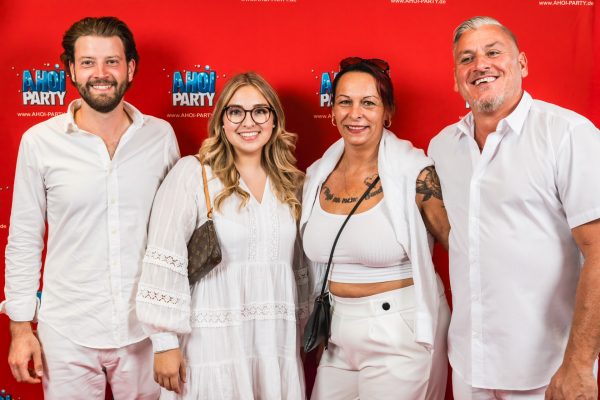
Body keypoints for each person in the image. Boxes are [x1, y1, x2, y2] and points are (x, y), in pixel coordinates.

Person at [0, 16, 180, 399]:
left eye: (112, 61)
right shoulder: (39, 142)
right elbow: (25, 239)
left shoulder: (160, 137)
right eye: (87, 62)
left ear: (130, 68)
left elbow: (175, 235)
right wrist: (20, 327)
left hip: (145, 329)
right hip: (67, 331)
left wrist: (171, 331)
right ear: (71, 69)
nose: (101, 73)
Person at [429, 16, 600, 400]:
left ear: (521, 64)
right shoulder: (442, 147)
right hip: (469, 366)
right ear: (456, 78)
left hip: (548, 371)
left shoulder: (568, 135)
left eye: (493, 52)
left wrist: (579, 364)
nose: (480, 65)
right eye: (466, 58)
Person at [136, 72, 307, 400]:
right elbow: (163, 254)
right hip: (211, 346)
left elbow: (300, 268)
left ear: (274, 120)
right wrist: (164, 342)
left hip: (274, 344)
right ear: (222, 121)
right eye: (236, 111)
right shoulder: (193, 174)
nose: (248, 122)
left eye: (260, 111)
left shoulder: (291, 184)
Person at [301, 57, 451, 400]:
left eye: (368, 103)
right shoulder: (316, 175)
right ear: (332, 110)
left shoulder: (415, 173)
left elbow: (456, 245)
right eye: (345, 102)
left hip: (399, 333)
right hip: (337, 335)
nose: (355, 113)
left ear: (387, 112)